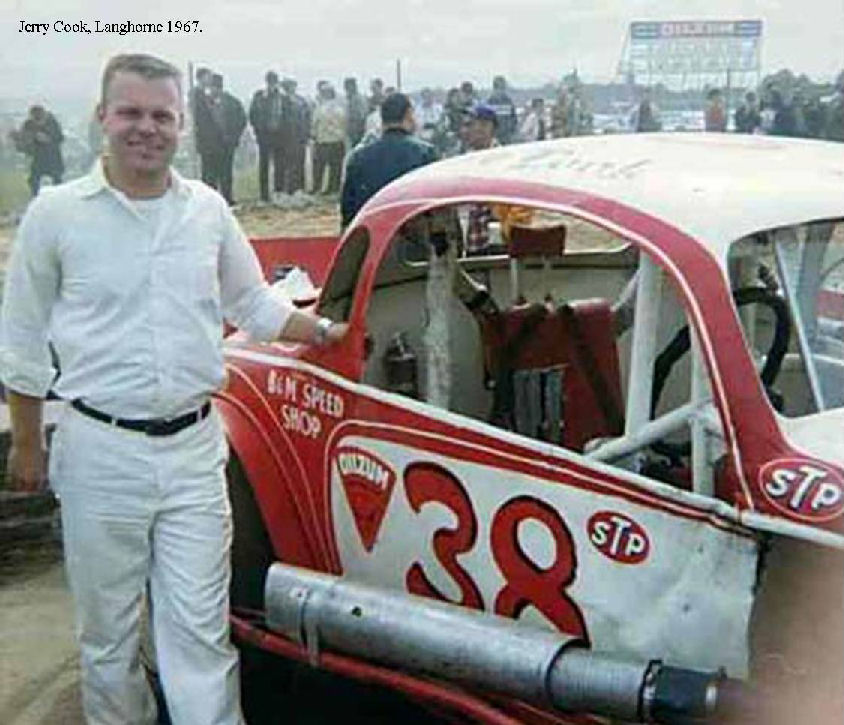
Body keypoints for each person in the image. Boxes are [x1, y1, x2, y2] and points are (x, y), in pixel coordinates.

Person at [0, 52, 347, 725]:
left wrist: (327, 328)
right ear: (102, 117)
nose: (146, 128)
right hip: (98, 451)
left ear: (181, 125)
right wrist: (26, 444)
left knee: (199, 631)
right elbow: (20, 340)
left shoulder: (207, 210)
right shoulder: (55, 216)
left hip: (192, 453)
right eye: (131, 112)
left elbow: (254, 304)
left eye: (162, 115)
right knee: (109, 638)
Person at [341, 92, 437, 227]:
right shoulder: (425, 154)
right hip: (413, 237)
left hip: (374, 236)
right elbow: (434, 206)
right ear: (408, 114)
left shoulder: (358, 157)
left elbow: (348, 210)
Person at [199, 73, 246, 204]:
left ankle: (227, 199)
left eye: (215, 86)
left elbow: (241, 120)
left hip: (226, 145)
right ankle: (209, 202)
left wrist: (234, 138)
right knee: (209, 176)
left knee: (226, 174)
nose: (213, 89)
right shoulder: (203, 103)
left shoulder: (232, 102)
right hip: (208, 146)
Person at [248, 70, 287, 203]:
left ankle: (279, 191)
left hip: (280, 135)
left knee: (280, 165)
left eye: (274, 81)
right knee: (264, 165)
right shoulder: (259, 96)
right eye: (270, 81)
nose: (272, 84)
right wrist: (258, 130)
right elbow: (252, 114)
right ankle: (264, 195)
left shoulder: (283, 97)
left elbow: (288, 117)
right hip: (264, 136)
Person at [13, 105, 64, 196]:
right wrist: (17, 139)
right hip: (37, 157)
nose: (38, 122)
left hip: (52, 156)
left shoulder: (52, 123)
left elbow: (60, 138)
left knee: (57, 179)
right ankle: (35, 198)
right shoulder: (28, 125)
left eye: (40, 119)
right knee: (33, 180)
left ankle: (58, 199)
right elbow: (22, 144)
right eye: (35, 119)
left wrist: (48, 139)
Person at [311, 82, 346, 194]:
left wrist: (314, 136)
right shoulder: (340, 108)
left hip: (323, 141)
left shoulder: (320, 108)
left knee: (319, 167)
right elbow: (344, 124)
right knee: (335, 168)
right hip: (337, 141)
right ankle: (333, 188)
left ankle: (317, 187)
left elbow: (314, 124)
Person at [281, 77, 311, 193]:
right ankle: (288, 189)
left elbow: (307, 117)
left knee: (300, 163)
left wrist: (307, 134)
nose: (291, 88)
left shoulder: (301, 101)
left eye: (292, 86)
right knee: (288, 164)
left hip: (300, 137)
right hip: (286, 138)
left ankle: (300, 188)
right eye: (288, 86)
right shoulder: (282, 101)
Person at [486, 75, 518, 145]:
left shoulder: (508, 101)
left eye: (503, 87)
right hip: (494, 135)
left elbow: (513, 117)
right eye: (500, 87)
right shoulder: (490, 101)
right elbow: (487, 119)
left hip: (507, 135)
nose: (502, 89)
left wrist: (512, 130)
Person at [344, 77, 368, 148]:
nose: (346, 89)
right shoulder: (347, 99)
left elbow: (363, 115)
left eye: (348, 86)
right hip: (350, 132)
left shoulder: (359, 99)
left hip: (358, 131)